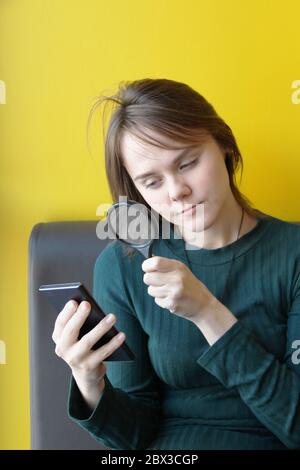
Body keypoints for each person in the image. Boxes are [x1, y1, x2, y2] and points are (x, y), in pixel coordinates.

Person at [52, 78, 300, 450]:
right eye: (151, 182)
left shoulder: (292, 253)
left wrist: (207, 313)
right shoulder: (123, 266)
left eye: (187, 163)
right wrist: (89, 380)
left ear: (225, 147)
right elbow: (132, 438)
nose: (175, 191)